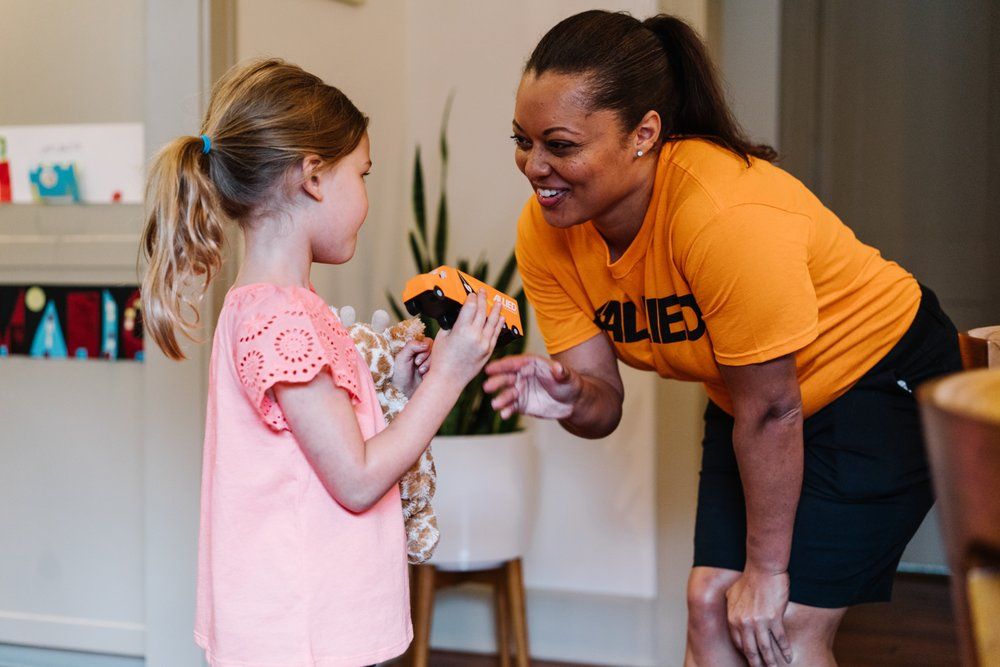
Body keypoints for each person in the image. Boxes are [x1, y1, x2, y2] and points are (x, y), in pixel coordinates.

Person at [484, 11, 961, 667]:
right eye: (523, 140)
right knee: (710, 602)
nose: (534, 166)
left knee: (784, 625)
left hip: (876, 377)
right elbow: (604, 405)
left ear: (644, 134)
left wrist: (767, 570)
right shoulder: (548, 232)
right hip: (753, 397)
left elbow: (774, 409)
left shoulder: (721, 215)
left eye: (560, 145)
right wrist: (570, 397)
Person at [140, 58, 504, 667]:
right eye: (362, 174)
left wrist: (400, 391)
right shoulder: (282, 318)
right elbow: (356, 480)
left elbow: (321, 446)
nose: (366, 198)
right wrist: (450, 375)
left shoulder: (275, 307)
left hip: (305, 628)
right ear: (312, 177)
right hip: (304, 636)